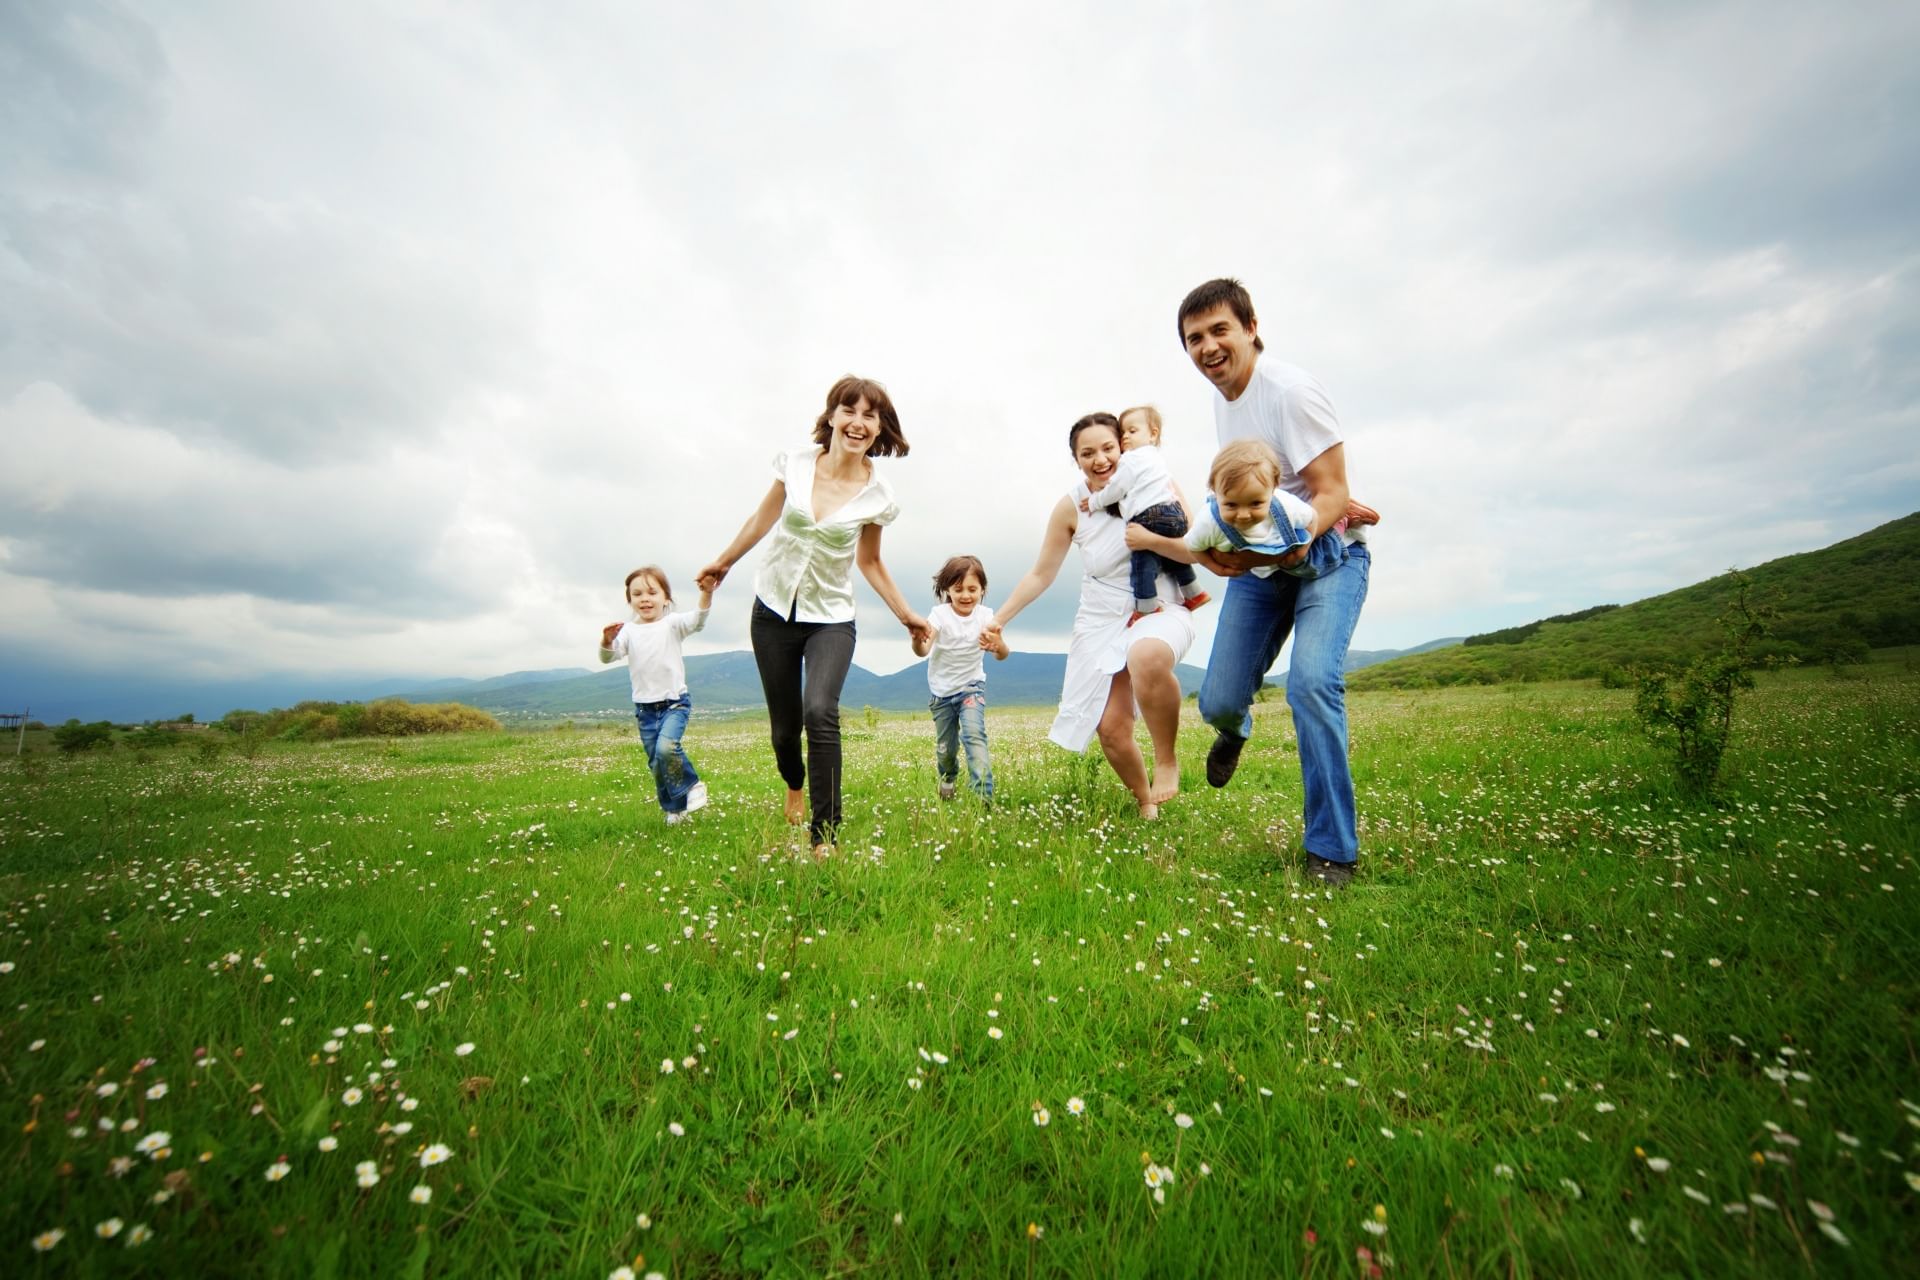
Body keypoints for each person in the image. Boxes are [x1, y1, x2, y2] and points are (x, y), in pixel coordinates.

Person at [1175, 277, 1372, 887]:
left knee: (1312, 686)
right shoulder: (1223, 400)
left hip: (1327, 559)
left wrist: (1293, 545)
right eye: (1194, 339)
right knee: (1219, 700)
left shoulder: (1290, 391)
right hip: (1261, 567)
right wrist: (1216, 556)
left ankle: (1332, 850)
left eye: (1219, 331)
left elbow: (1332, 490)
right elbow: (1239, 491)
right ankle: (1235, 731)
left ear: (1251, 327)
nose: (1207, 347)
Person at [696, 375, 931, 861]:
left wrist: (907, 615)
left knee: (820, 710)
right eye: (850, 411)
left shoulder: (878, 495)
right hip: (773, 611)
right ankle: (794, 783)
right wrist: (724, 562)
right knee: (785, 730)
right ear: (831, 417)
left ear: (880, 428)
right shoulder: (797, 465)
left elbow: (869, 562)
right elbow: (762, 519)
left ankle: (825, 838)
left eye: (871, 415)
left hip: (831, 617)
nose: (859, 423)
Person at [982, 413, 1196, 817]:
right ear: (1075, 459)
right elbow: (1041, 574)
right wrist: (1001, 619)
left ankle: (1167, 759)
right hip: (1100, 618)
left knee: (1147, 655)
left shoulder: (1156, 483)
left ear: (1123, 448)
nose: (1100, 459)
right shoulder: (1072, 505)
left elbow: (1195, 551)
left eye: (1107, 448)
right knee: (1111, 730)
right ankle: (1145, 802)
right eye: (1087, 453)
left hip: (1159, 606)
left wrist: (1149, 539)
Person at [598, 566, 712, 825]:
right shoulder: (627, 631)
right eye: (637, 594)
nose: (645, 598)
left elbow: (699, 619)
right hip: (645, 710)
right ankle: (675, 810)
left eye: (652, 592)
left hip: (674, 703)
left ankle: (693, 785)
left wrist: (707, 593)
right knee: (657, 764)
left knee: (666, 748)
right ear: (630, 600)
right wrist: (606, 640)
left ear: (666, 598)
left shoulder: (672, 625)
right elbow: (608, 657)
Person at [1078, 405, 1208, 622]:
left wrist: (1094, 502)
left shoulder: (1131, 460)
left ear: (1153, 433)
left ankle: (1146, 607)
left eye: (1132, 431)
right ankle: (1194, 592)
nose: (1126, 437)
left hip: (1150, 516)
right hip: (1173, 513)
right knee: (1172, 558)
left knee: (1142, 564)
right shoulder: (1155, 458)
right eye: (1123, 433)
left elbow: (1117, 489)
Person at [913, 554, 1008, 802]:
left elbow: (1002, 654)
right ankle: (948, 781)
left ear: (982, 590)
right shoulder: (939, 616)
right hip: (942, 694)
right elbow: (923, 650)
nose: (966, 595)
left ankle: (983, 800)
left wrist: (998, 645)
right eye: (958, 589)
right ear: (947, 590)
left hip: (971, 688)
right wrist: (917, 639)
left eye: (972, 589)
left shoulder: (987, 616)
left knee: (974, 735)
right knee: (946, 750)